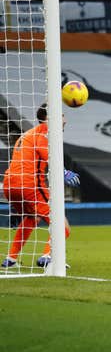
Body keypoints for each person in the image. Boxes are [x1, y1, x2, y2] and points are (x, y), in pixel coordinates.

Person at [1, 104, 80, 268]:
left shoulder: (27, 134)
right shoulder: (45, 131)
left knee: (31, 217)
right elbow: (49, 154)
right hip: (29, 184)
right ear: (49, 118)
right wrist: (64, 172)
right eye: (62, 115)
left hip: (9, 185)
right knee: (62, 225)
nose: (65, 120)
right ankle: (48, 256)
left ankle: (11, 259)